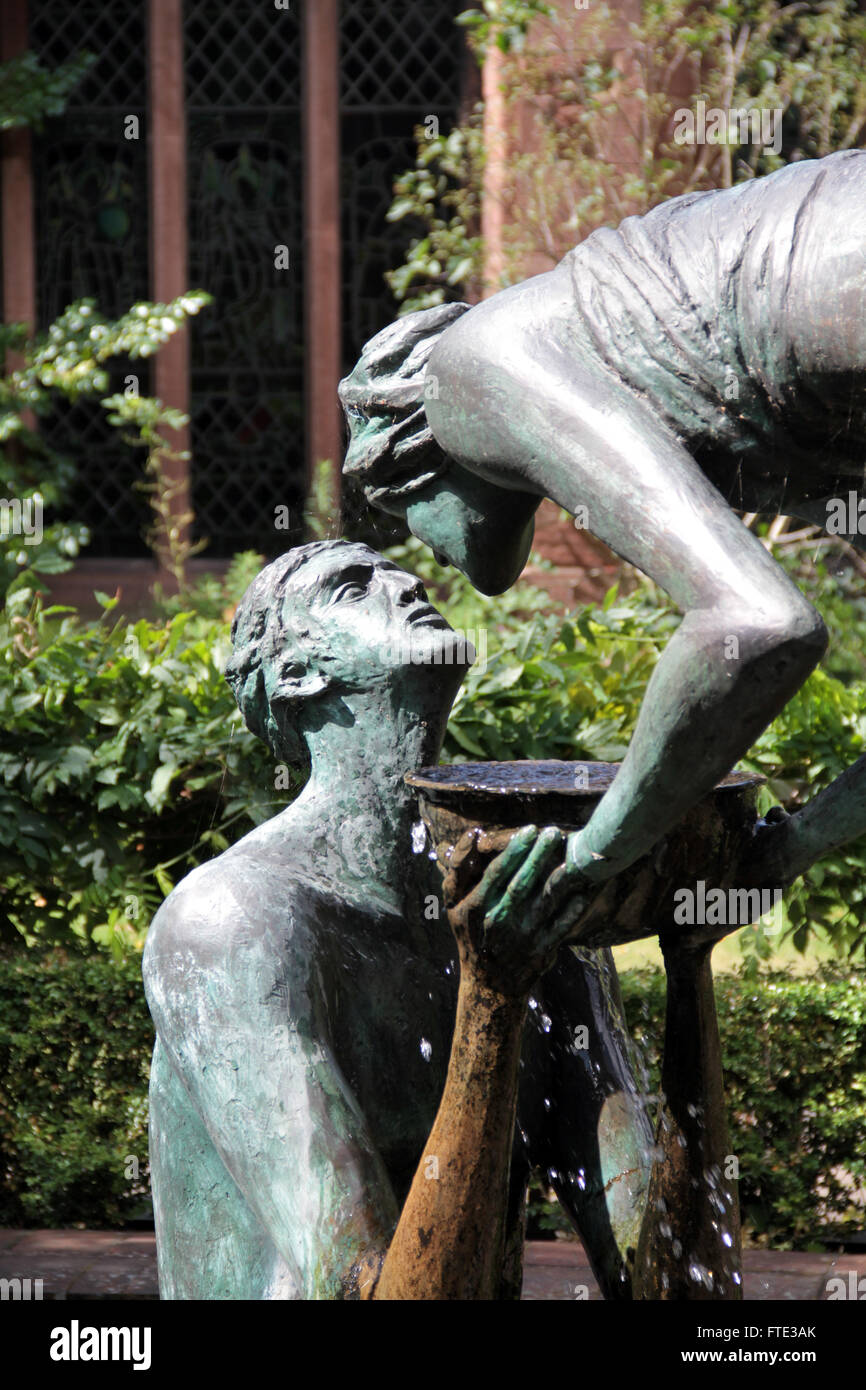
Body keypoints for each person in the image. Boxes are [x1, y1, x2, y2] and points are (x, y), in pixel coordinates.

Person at [339, 149, 866, 894]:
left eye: (404, 516)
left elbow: (755, 626)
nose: (422, 552)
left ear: (417, 455)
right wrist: (786, 850)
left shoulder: (466, 372)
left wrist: (592, 859)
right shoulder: (741, 410)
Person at [142, 540, 654, 1300]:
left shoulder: (515, 900)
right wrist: (491, 997)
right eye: (354, 586)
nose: (407, 581)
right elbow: (358, 1291)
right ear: (296, 674)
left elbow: (665, 1271)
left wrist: (688, 952)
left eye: (398, 571)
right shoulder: (232, 925)